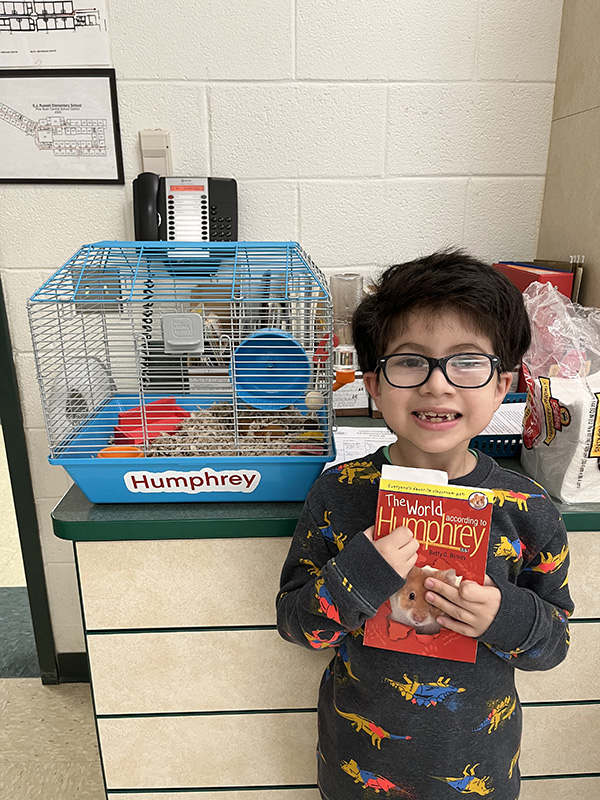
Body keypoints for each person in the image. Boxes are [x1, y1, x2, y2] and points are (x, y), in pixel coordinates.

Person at [276, 249, 574, 800]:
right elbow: (298, 626)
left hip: (479, 774)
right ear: (372, 383)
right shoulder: (338, 494)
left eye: (467, 361)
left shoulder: (527, 507)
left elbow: (553, 645)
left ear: (504, 383)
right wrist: (362, 575)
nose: (438, 385)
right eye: (410, 361)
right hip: (356, 770)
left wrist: (503, 614)